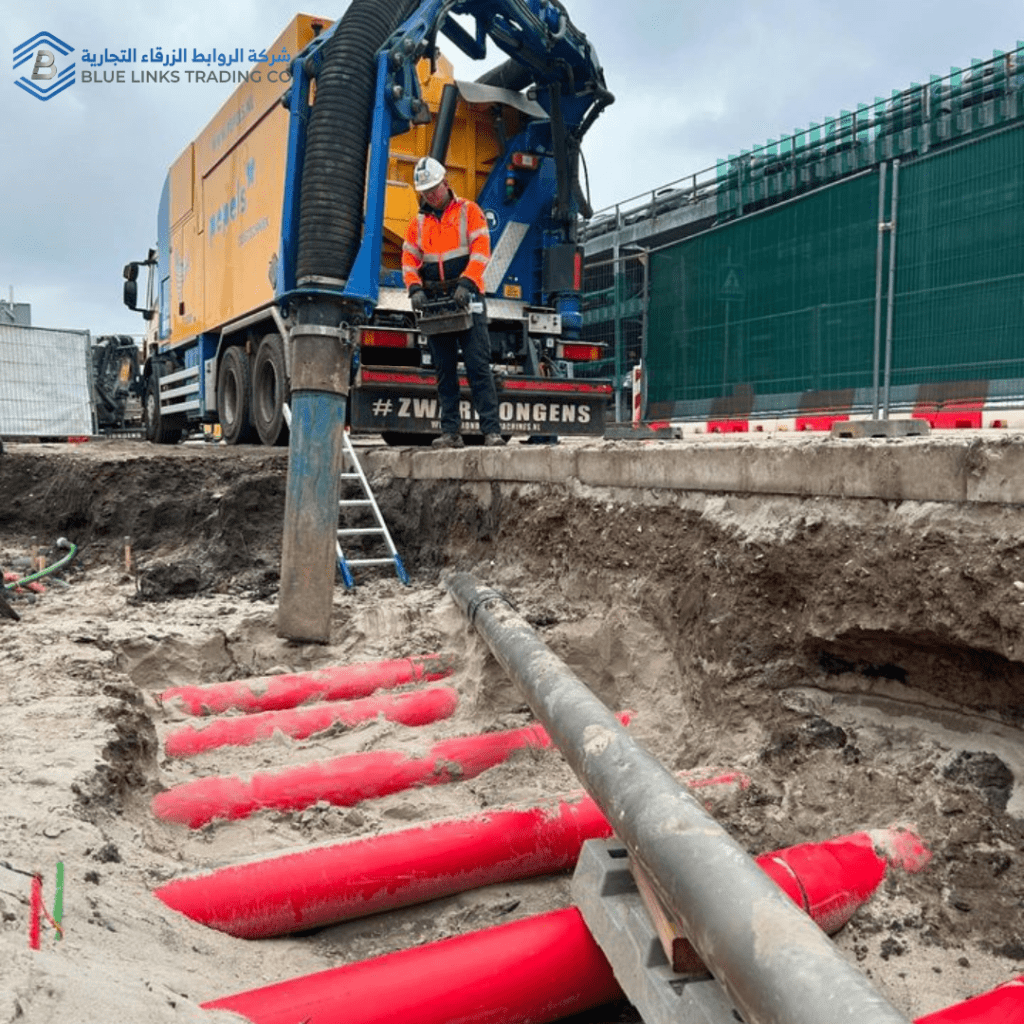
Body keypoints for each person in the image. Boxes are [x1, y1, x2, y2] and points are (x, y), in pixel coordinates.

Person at [402, 156, 506, 449]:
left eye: (434, 188)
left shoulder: (468, 211)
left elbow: (482, 250)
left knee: (477, 366)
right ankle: (451, 433)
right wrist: (414, 289)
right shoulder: (418, 224)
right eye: (426, 192)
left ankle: (492, 432)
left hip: (467, 296)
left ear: (445, 183)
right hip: (436, 300)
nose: (431, 195)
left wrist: (467, 282)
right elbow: (409, 260)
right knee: (444, 369)